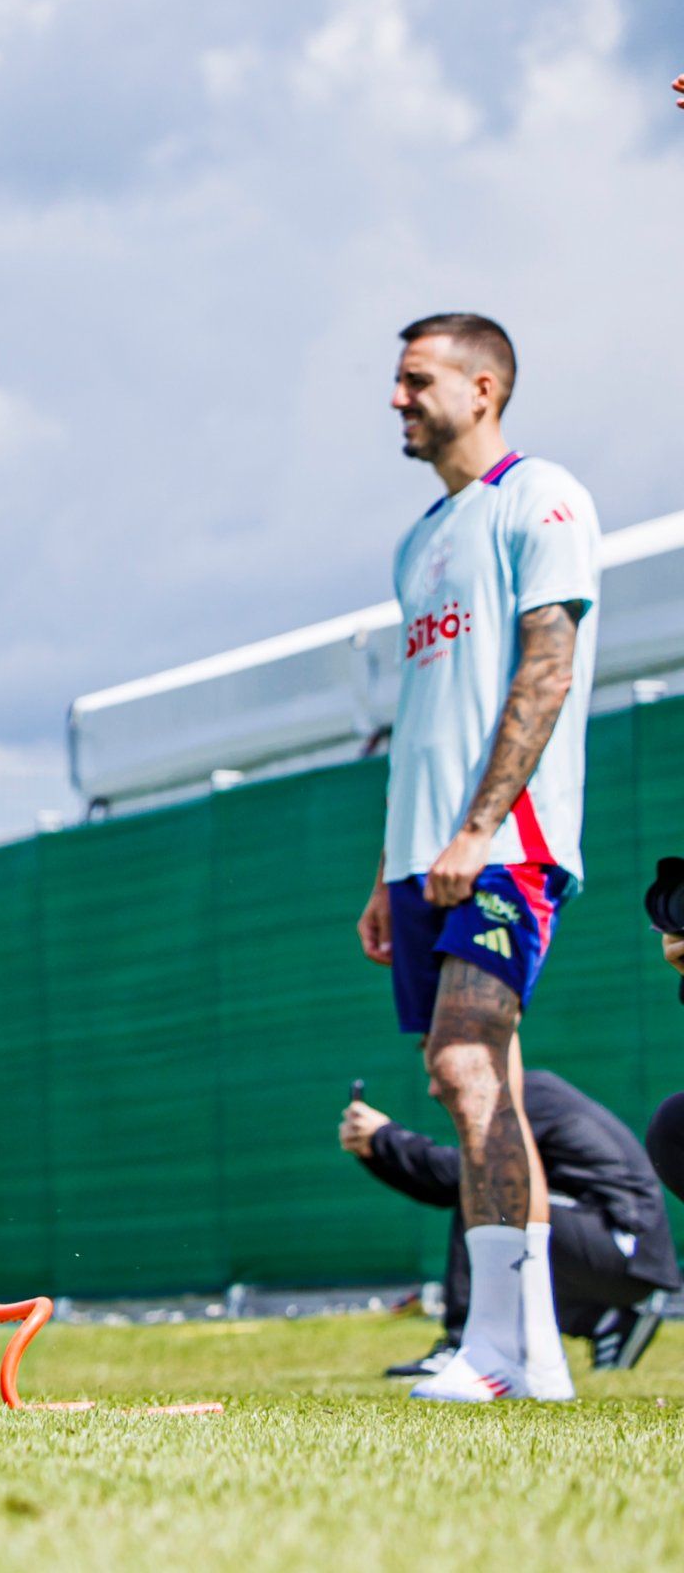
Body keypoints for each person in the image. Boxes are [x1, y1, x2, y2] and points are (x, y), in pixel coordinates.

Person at [365, 312, 598, 1403]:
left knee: (465, 1064)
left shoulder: (540, 495)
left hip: (505, 848)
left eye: (415, 381)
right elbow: (422, 720)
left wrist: (476, 830)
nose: (396, 399)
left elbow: (544, 670)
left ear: (483, 386)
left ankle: (497, 1355)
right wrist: (389, 868)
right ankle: (530, 1355)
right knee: (473, 1080)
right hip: (425, 859)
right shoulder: (417, 541)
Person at [347, 1071, 674, 1377]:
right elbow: (441, 1186)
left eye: (436, 1062)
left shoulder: (525, 1095)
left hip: (624, 1245)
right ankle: (604, 1319)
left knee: (491, 1192)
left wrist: (385, 1137)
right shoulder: (523, 1093)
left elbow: (457, 1178)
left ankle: (464, 1346)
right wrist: (374, 1149)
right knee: (501, 1207)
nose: (433, 1088)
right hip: (614, 1250)